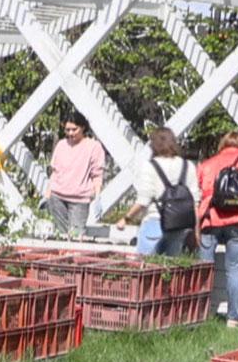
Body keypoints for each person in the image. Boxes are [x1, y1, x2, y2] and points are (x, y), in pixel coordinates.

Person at [197, 131, 238, 327]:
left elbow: (203, 191)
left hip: (211, 219)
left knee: (204, 268)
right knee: (235, 270)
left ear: (222, 144)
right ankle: (234, 318)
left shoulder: (208, 163)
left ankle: (200, 314)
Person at [117, 128, 195, 257]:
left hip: (155, 221)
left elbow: (143, 200)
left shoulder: (150, 166)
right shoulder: (188, 166)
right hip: (181, 225)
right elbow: (195, 200)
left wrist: (126, 219)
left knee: (147, 268)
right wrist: (195, 230)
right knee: (171, 269)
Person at [44, 110, 105, 238]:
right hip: (58, 197)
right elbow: (55, 173)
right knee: (60, 236)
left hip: (79, 199)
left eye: (74, 129)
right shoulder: (61, 145)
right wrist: (47, 195)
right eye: (67, 130)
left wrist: (98, 196)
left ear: (82, 127)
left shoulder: (93, 146)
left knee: (76, 236)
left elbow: (97, 174)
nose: (70, 133)